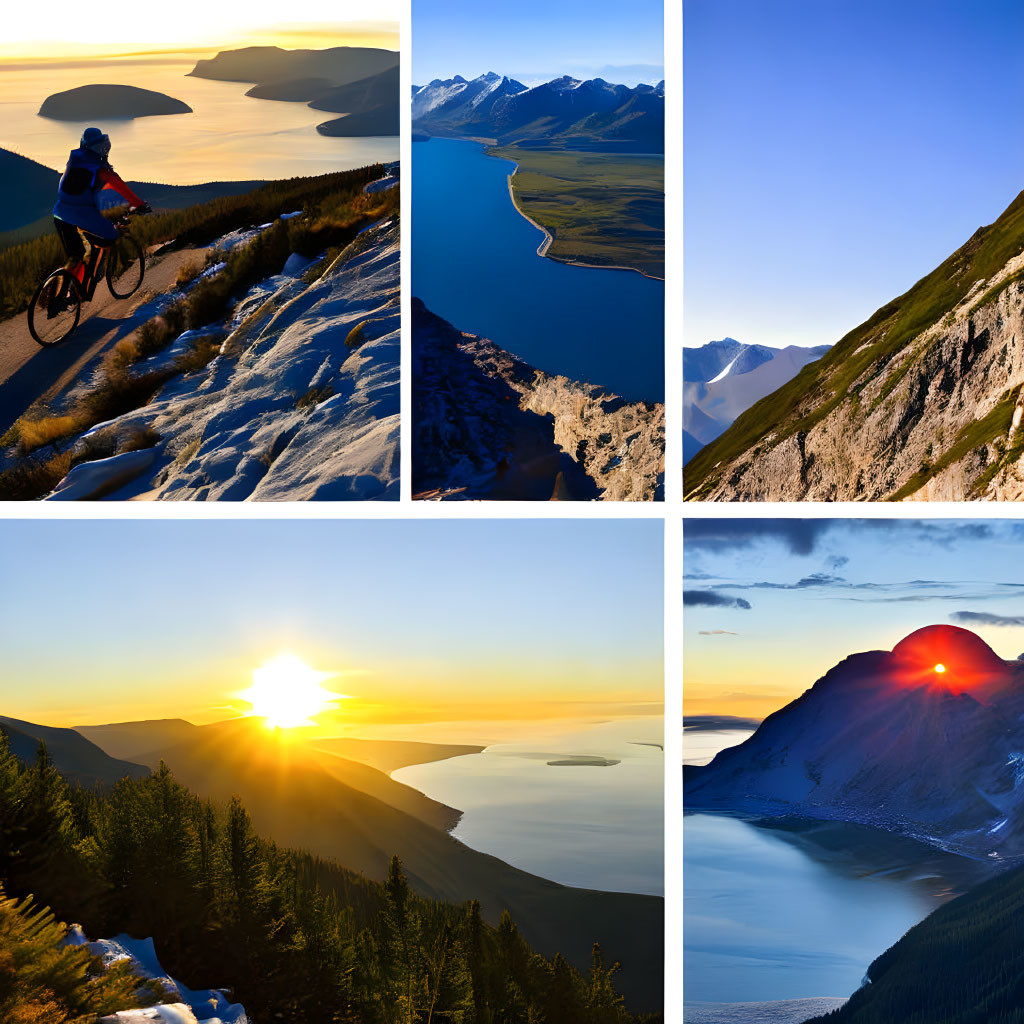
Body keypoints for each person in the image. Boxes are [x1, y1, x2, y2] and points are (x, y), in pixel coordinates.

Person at [51, 127, 150, 296]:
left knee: (76, 255)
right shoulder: (99, 167)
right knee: (110, 236)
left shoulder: (74, 161)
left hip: (59, 212)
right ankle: (82, 288)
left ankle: (61, 295)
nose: (101, 151)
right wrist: (138, 204)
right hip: (82, 214)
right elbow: (119, 186)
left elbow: (83, 192)